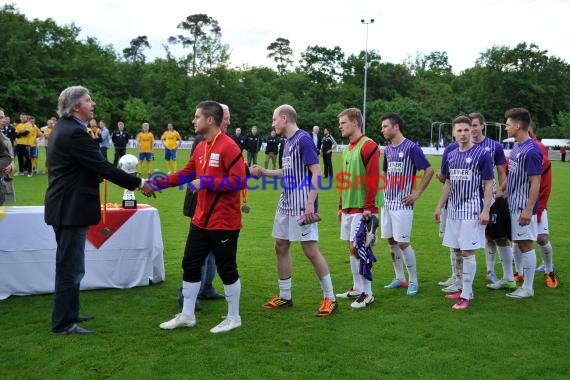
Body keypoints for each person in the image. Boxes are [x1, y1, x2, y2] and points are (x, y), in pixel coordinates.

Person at [45, 86, 155, 335]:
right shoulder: (74, 132)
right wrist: (139, 183)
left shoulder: (67, 129)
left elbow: (82, 167)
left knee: (71, 266)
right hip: (70, 208)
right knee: (70, 268)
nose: (92, 103)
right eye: (87, 100)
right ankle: (63, 323)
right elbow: (102, 167)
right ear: (75, 107)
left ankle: (69, 313)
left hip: (66, 205)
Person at [158, 101, 245, 333]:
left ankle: (233, 317)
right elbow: (185, 174)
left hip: (224, 221)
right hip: (200, 219)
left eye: (197, 117)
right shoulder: (200, 147)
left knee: (227, 268)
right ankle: (187, 315)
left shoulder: (229, 146)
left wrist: (206, 181)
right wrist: (157, 184)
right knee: (190, 264)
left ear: (210, 120)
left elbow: (239, 181)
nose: (193, 121)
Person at [251, 104, 337, 317]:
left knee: (310, 250)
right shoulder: (287, 143)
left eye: (274, 120)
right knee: (280, 246)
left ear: (284, 118)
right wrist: (263, 171)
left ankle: (330, 299)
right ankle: (285, 296)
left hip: (302, 203)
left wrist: (310, 203)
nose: (273, 124)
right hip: (286, 202)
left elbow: (316, 171)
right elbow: (286, 171)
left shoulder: (303, 139)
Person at [433, 116, 494, 310]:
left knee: (468, 252)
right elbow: (448, 184)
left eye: (466, 130)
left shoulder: (482, 154)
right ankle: (462, 289)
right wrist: (439, 207)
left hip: (472, 210)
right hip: (454, 211)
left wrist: (486, 210)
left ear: (472, 131)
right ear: (453, 133)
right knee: (458, 250)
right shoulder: (451, 154)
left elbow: (489, 184)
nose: (463, 134)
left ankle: (467, 294)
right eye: (459, 130)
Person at [380, 112, 434, 295]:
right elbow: (385, 173)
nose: (383, 130)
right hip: (387, 202)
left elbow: (428, 170)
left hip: (403, 203)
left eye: (385, 126)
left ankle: (414, 281)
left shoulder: (411, 147)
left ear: (396, 127)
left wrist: (417, 193)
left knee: (403, 242)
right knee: (390, 240)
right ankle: (399, 277)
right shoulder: (387, 149)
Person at [334, 108, 380, 308]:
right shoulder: (347, 148)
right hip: (348, 208)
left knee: (359, 249)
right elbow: (344, 180)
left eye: (343, 122)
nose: (340, 126)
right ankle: (357, 288)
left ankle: (368, 293)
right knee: (350, 249)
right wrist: (340, 205)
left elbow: (373, 179)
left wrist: (369, 207)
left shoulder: (368, 146)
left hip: (363, 209)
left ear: (355, 122)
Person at [499, 107, 542, 299]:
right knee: (518, 242)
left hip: (522, 207)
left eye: (508, 124)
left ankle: (528, 287)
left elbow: (536, 181)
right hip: (512, 203)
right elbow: (514, 173)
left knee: (525, 244)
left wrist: (528, 209)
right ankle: (522, 282)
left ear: (517, 125)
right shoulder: (517, 146)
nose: (506, 127)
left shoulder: (532, 150)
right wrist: (503, 189)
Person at [527, 122, 558, 288]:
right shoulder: (519, 147)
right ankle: (519, 273)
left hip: (537, 202)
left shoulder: (538, 147)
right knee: (520, 241)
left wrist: (539, 208)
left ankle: (549, 269)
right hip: (521, 203)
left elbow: (543, 182)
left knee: (541, 238)